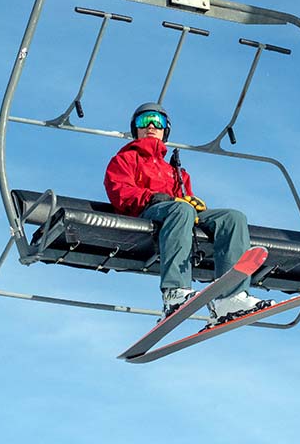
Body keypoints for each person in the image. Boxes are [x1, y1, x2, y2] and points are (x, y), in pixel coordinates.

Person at [104, 102, 274, 324]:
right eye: (144, 121)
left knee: (233, 218)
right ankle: (175, 291)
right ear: (135, 128)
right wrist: (154, 198)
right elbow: (120, 192)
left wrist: (193, 203)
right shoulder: (126, 159)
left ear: (166, 130)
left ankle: (231, 298)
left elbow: (185, 203)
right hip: (144, 214)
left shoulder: (175, 171)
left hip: (177, 214)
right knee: (181, 208)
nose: (151, 126)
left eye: (159, 121)